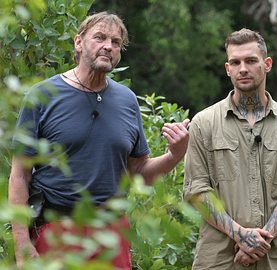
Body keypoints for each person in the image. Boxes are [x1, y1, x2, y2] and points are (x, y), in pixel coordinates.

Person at [8, 11, 189, 269]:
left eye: (116, 42)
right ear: (78, 43)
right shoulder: (42, 96)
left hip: (112, 234)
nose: (108, 46)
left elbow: (138, 173)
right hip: (56, 230)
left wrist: (175, 155)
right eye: (100, 37)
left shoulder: (127, 101)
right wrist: (22, 244)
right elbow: (19, 175)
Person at [183, 28, 277, 269]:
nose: (243, 68)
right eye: (235, 62)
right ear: (227, 69)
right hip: (220, 259)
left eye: (251, 61)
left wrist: (259, 242)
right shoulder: (204, 123)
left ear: (267, 64)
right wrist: (241, 235)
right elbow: (197, 191)